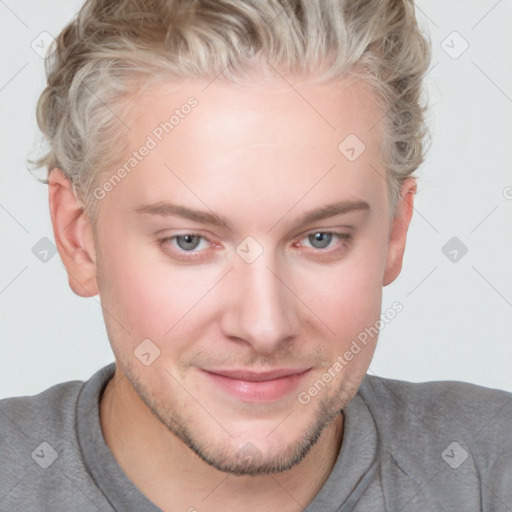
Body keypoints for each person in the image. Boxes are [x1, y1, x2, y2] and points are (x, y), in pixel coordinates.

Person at [1, 0, 511, 510]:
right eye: (189, 242)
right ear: (77, 238)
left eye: (321, 238)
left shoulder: (491, 469)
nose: (264, 327)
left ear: (395, 233)